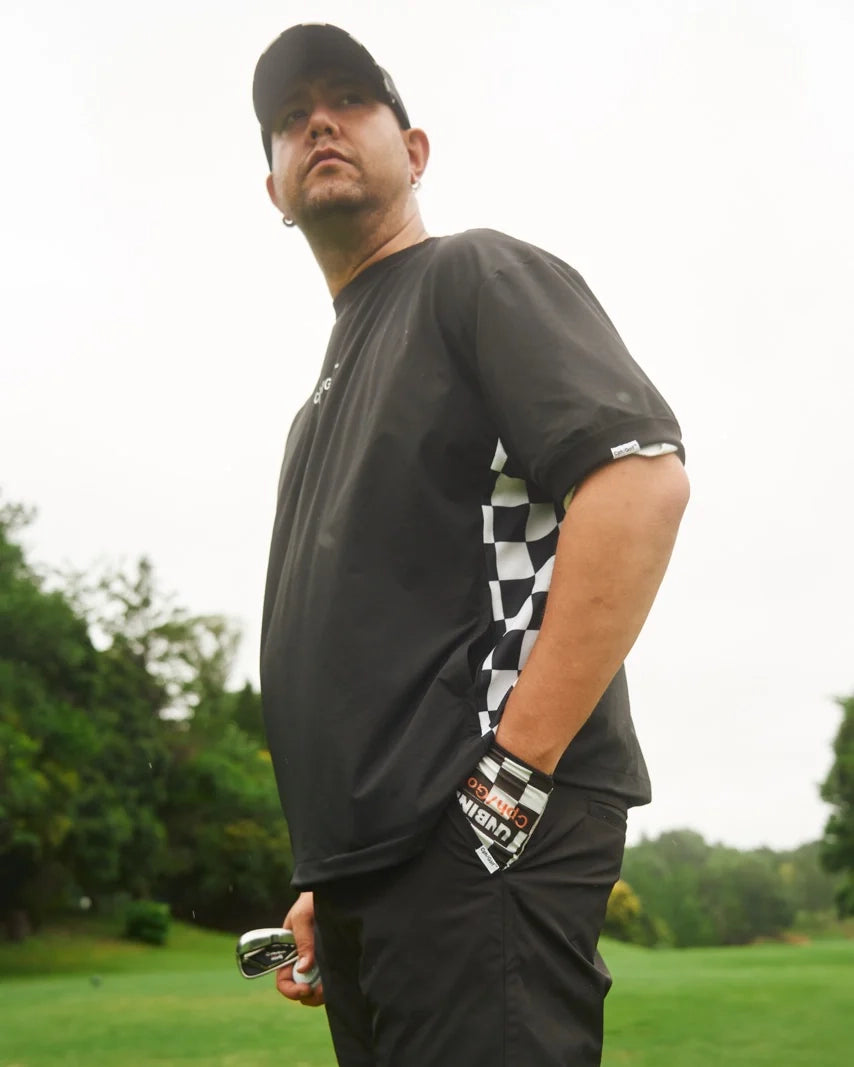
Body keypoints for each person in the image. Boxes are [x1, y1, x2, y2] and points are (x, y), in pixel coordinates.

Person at [252, 23, 689, 1067]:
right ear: (273, 191)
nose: (318, 122)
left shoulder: (474, 277)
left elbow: (639, 481)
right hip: (369, 871)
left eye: (349, 100)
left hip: (486, 837)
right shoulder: (315, 408)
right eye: (291, 116)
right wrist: (332, 870)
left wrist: (509, 780)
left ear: (414, 151)